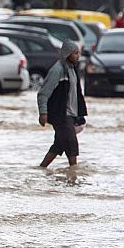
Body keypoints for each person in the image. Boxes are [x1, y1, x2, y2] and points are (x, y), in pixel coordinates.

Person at [36, 39, 88, 168]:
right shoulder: (57, 70)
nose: (78, 56)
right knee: (71, 144)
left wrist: (79, 114)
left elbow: (76, 94)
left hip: (70, 115)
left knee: (58, 145)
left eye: (78, 53)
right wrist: (43, 113)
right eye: (75, 53)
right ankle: (73, 177)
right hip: (61, 115)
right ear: (67, 54)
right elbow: (43, 93)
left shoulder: (72, 70)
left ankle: (41, 169)